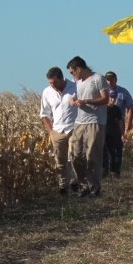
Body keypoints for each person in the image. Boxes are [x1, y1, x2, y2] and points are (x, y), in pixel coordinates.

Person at [68, 56, 109, 197]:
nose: (72, 75)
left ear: (79, 68)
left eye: (73, 72)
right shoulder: (78, 82)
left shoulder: (98, 79)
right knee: (75, 155)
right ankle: (83, 185)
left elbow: (105, 99)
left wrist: (86, 101)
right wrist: (73, 101)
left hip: (95, 122)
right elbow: (74, 97)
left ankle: (94, 188)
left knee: (92, 156)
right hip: (79, 122)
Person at [40, 67, 78, 195]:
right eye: (50, 83)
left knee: (75, 157)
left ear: (62, 78)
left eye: (55, 83)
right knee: (60, 161)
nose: (53, 86)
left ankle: (76, 182)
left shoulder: (75, 88)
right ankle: (63, 186)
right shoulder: (47, 92)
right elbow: (44, 114)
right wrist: (50, 131)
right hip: (57, 130)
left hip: (74, 128)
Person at [105, 71, 133, 176]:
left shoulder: (123, 92)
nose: (109, 81)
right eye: (107, 79)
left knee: (117, 150)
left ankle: (116, 171)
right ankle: (106, 172)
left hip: (118, 126)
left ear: (116, 80)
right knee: (106, 152)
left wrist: (127, 127)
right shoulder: (101, 93)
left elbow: (130, 108)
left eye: (112, 79)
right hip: (104, 127)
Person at [103, 89, 124, 178]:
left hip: (114, 134)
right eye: (111, 97)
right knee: (104, 154)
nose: (113, 99)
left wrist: (122, 133)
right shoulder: (103, 109)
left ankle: (114, 171)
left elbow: (120, 121)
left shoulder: (117, 109)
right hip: (104, 134)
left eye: (114, 97)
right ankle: (104, 172)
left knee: (113, 154)